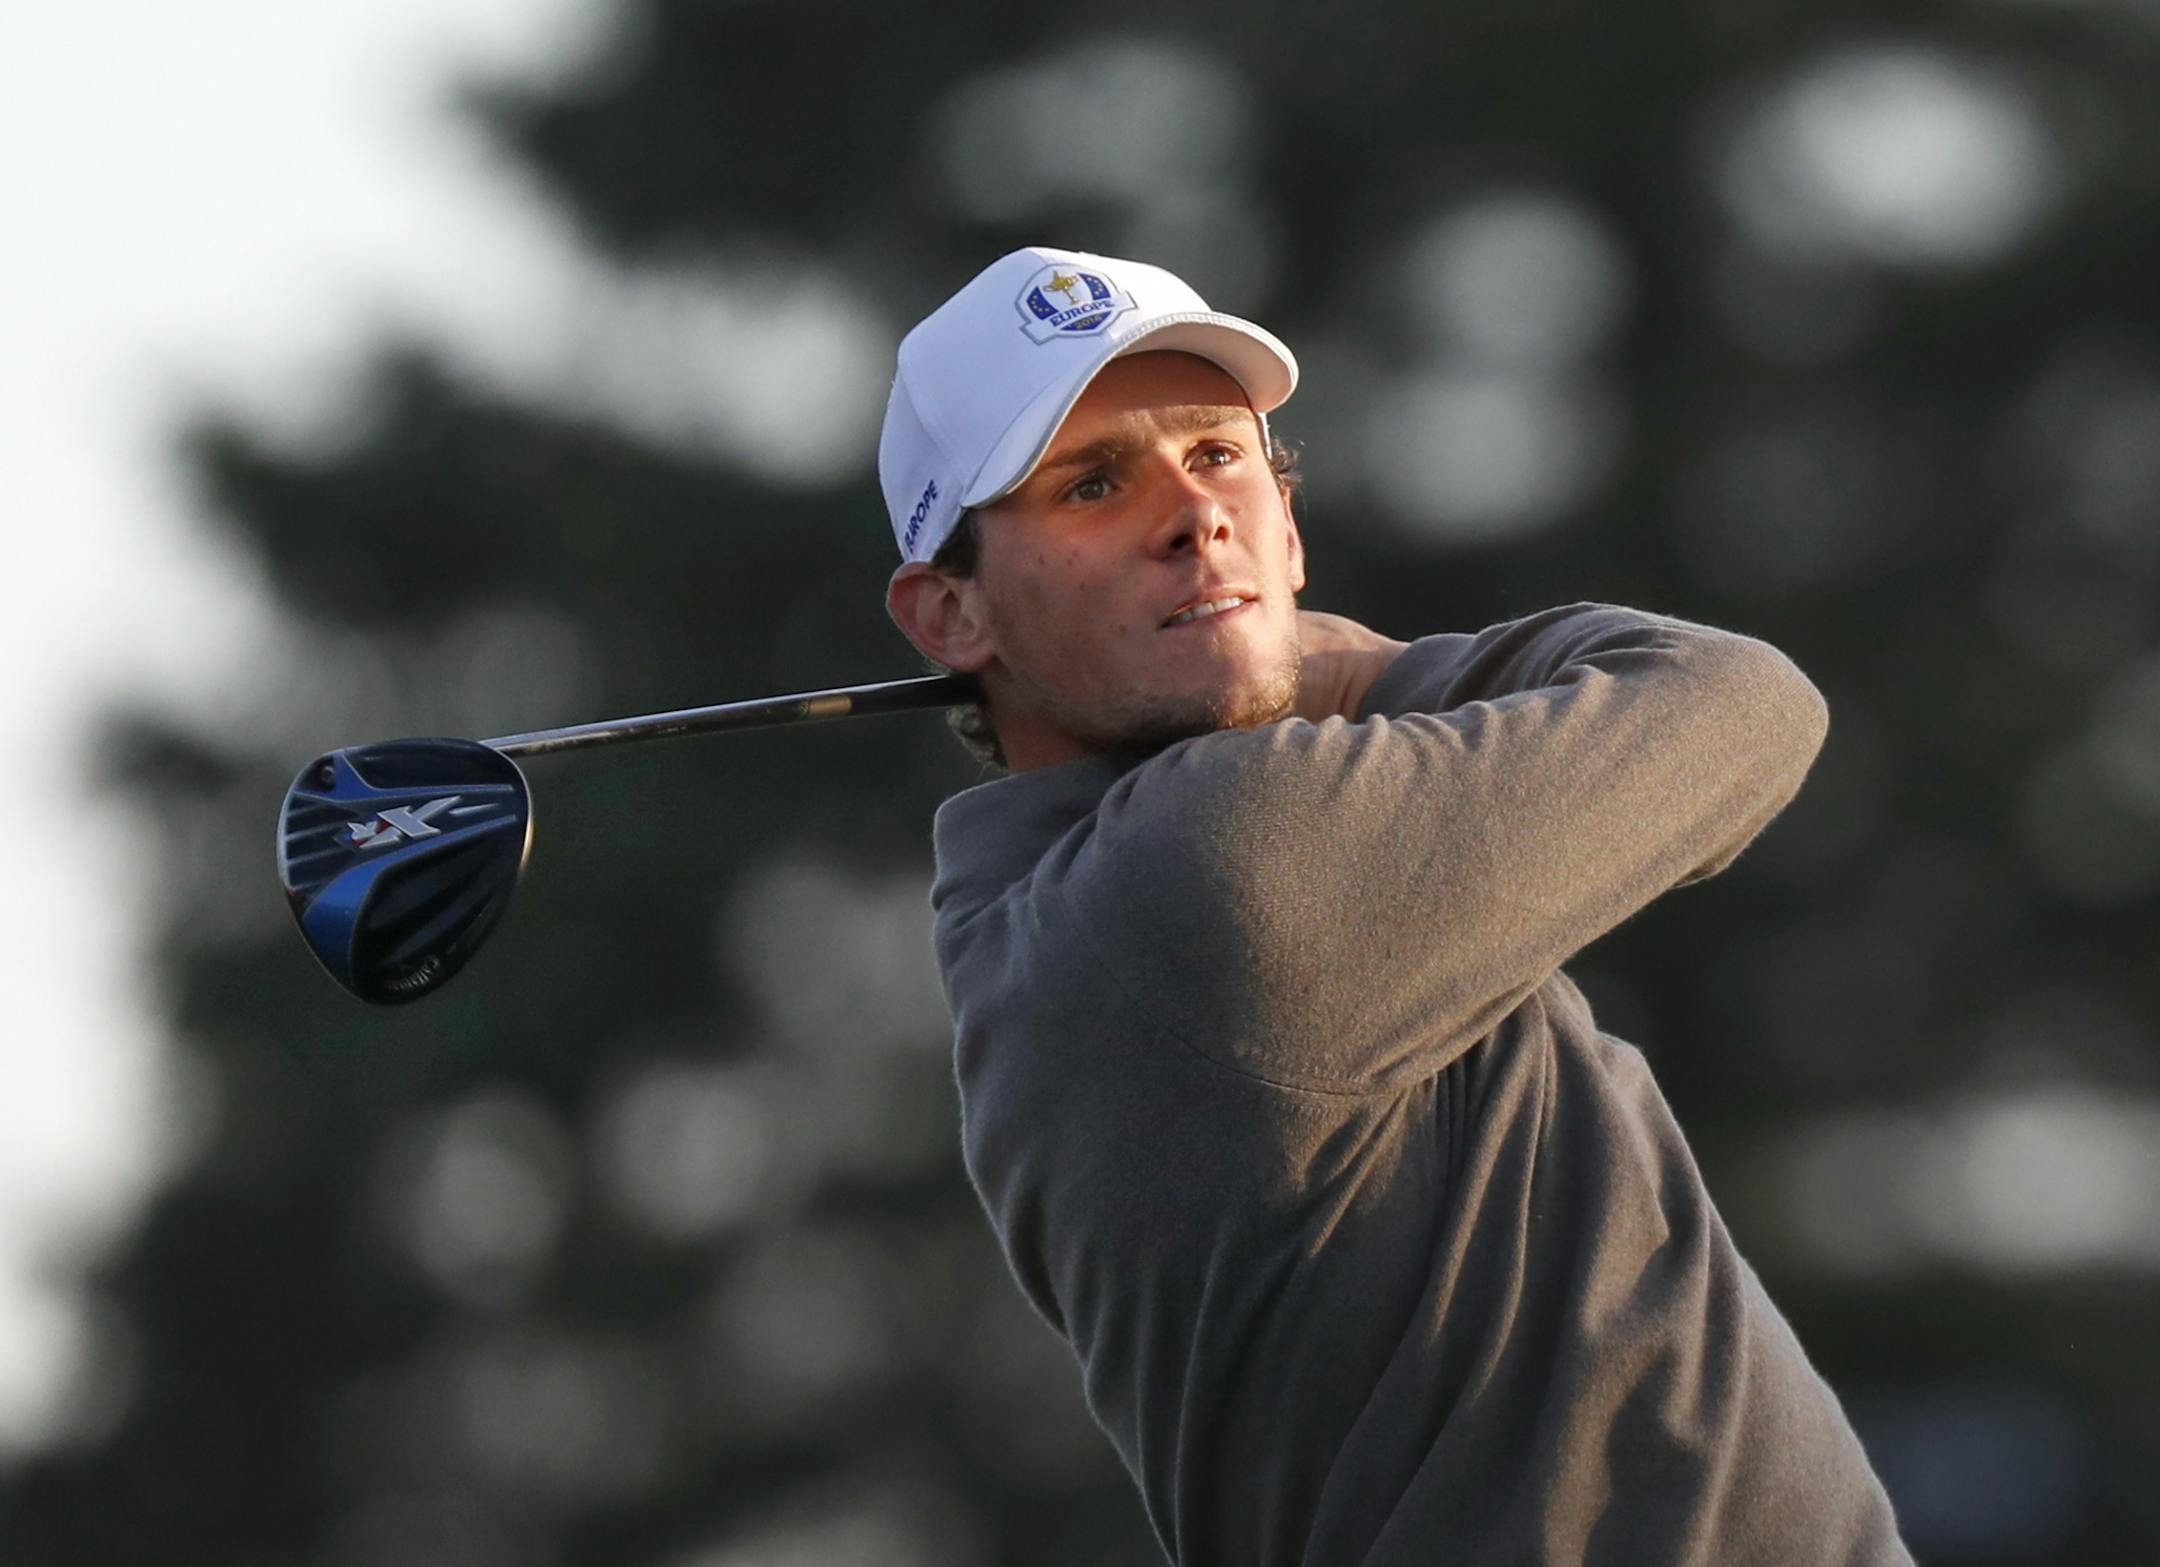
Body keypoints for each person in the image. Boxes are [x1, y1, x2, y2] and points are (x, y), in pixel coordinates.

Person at [880, 245, 1914, 1566]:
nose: (1195, 518)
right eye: (1091, 486)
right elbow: (1745, 704)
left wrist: (1266, 666)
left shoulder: (1021, 934)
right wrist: (1343, 663)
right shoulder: (1213, 863)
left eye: (1218, 457)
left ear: (1288, 527)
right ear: (949, 614)